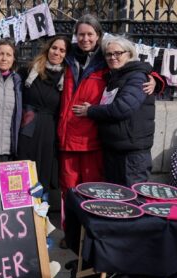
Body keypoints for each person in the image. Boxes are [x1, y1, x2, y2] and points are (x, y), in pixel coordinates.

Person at [57, 15, 155, 196]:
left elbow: (138, 68)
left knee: (96, 192)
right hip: (67, 137)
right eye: (80, 34)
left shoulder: (107, 60)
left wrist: (156, 79)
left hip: (92, 139)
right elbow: (44, 62)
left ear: (98, 35)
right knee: (69, 191)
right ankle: (69, 225)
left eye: (90, 34)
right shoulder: (67, 57)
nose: (85, 39)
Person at [17, 36, 71, 193]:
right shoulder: (29, 70)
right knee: (23, 169)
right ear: (48, 49)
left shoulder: (67, 78)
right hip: (27, 127)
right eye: (54, 48)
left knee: (43, 172)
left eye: (62, 50)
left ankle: (41, 212)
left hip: (49, 130)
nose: (57, 53)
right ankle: (22, 209)